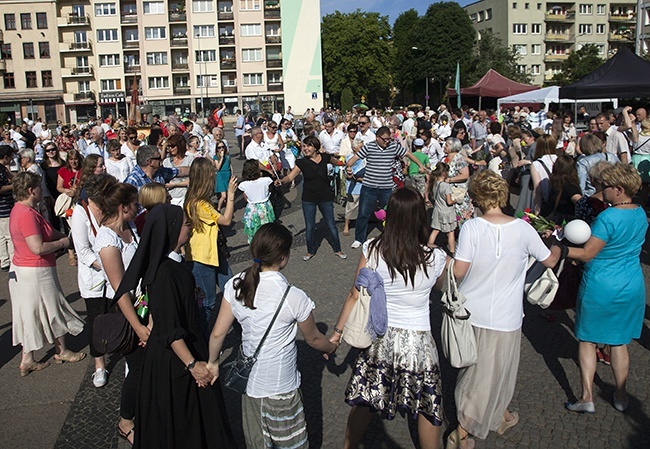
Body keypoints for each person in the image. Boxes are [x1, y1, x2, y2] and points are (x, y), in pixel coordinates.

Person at [448, 170, 561, 448]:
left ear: (477, 198)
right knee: (496, 372)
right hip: (506, 315)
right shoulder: (523, 229)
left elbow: (459, 271)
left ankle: (495, 416)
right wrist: (558, 246)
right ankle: (464, 430)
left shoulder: (473, 227)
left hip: (472, 310)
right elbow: (548, 261)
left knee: (476, 372)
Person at [330, 187, 447, 449]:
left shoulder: (373, 248)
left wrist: (337, 333)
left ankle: (349, 446)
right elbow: (438, 288)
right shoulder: (435, 257)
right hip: (419, 340)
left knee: (365, 399)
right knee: (428, 405)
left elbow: (354, 293)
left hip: (380, 337)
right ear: (420, 218)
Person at [112, 204, 236, 448]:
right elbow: (170, 329)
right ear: (172, 230)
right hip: (177, 361)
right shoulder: (165, 273)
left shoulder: (171, 265)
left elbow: (161, 311)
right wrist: (193, 365)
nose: (190, 226)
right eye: (186, 223)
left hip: (181, 349)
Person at [207, 222, 337, 449]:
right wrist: (331, 348)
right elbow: (314, 339)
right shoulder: (294, 296)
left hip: (251, 388)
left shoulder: (236, 284)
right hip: (282, 387)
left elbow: (218, 333)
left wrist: (213, 362)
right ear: (284, 257)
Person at [564, 163, 647, 415]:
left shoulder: (608, 217)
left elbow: (588, 253)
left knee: (588, 339)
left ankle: (587, 396)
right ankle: (621, 395)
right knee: (619, 342)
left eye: (605, 186)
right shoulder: (640, 213)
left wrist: (562, 250)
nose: (601, 190)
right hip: (631, 281)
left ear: (618, 190)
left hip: (602, 284)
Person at [9, 171, 85, 376]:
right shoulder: (25, 214)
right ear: (29, 190)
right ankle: (61, 350)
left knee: (31, 313)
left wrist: (63, 235)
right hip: (35, 269)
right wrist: (63, 243)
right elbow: (38, 247)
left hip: (26, 269)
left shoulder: (22, 210)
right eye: (38, 187)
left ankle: (27, 359)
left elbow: (47, 232)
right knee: (53, 309)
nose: (42, 190)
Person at [95, 183, 142, 444]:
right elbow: (120, 290)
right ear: (123, 208)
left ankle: (140, 411)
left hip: (142, 304)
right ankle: (126, 421)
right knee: (137, 368)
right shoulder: (107, 241)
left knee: (144, 365)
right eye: (134, 204)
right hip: (127, 311)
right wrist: (137, 326)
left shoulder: (129, 228)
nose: (138, 208)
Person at [70, 173, 117, 388]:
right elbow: (84, 251)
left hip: (113, 274)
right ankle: (99, 364)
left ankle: (123, 349)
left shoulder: (109, 208)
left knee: (117, 315)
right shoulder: (80, 212)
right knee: (96, 321)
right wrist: (107, 267)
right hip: (95, 279)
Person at [346, 126, 428, 249]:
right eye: (384, 139)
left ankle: (393, 237)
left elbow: (408, 154)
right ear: (377, 138)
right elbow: (355, 158)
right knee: (363, 213)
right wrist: (349, 167)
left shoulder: (393, 147)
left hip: (386, 187)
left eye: (389, 139)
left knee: (391, 213)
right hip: (369, 186)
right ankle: (359, 238)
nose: (387, 142)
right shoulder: (369, 147)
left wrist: (420, 164)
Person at [185, 158, 238, 336]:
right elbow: (227, 220)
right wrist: (231, 196)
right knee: (208, 302)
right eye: (211, 172)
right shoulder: (199, 204)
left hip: (214, 252)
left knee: (231, 291)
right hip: (202, 257)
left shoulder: (200, 200)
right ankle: (203, 340)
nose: (214, 175)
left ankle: (242, 330)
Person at [277, 136, 347, 260]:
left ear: (315, 147)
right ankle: (310, 250)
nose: (305, 148)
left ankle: (338, 249)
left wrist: (344, 161)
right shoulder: (301, 163)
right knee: (310, 226)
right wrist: (282, 181)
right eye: (303, 146)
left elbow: (337, 162)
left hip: (325, 197)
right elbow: (290, 177)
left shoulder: (325, 158)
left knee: (330, 224)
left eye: (308, 146)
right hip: (309, 198)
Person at [57, 149, 83, 266]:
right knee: (69, 228)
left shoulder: (83, 171)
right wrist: (67, 191)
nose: (73, 162)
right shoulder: (63, 171)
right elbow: (59, 187)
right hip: (69, 203)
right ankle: (71, 254)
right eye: (71, 159)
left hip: (80, 200)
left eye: (75, 159)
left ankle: (82, 251)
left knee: (80, 227)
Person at [124, 145, 189, 191]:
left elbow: (180, 171)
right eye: (158, 158)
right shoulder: (132, 181)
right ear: (150, 162)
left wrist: (197, 169)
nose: (161, 160)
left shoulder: (159, 172)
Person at [443, 137, 474, 226]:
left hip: (458, 193)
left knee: (462, 217)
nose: (444, 147)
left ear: (453, 147)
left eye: (446, 145)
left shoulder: (459, 159)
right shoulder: (446, 158)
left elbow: (465, 175)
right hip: (449, 192)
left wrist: (450, 180)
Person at [427, 163, 456, 253]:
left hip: (437, 211)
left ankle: (429, 246)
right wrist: (457, 200)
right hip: (446, 212)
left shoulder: (435, 184)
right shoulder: (446, 186)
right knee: (450, 232)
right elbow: (449, 201)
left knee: (435, 230)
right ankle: (452, 251)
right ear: (444, 173)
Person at [163, 134, 194, 207]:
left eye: (173, 146)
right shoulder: (166, 162)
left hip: (185, 196)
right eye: (169, 146)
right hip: (170, 198)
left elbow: (192, 180)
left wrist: (174, 184)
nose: (170, 149)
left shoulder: (190, 160)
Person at [530, 135, 558, 215]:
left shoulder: (536, 164)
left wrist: (537, 212)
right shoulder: (559, 160)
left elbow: (538, 189)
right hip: (558, 203)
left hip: (545, 204)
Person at [213, 141, 231, 211]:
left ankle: (227, 208)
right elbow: (218, 168)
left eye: (223, 147)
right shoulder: (216, 157)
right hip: (221, 175)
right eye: (219, 147)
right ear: (217, 149)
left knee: (228, 193)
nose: (221, 149)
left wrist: (232, 174)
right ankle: (218, 208)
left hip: (227, 174)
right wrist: (222, 158)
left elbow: (230, 165)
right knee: (223, 196)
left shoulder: (228, 156)